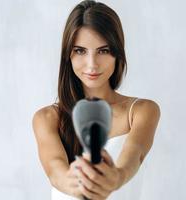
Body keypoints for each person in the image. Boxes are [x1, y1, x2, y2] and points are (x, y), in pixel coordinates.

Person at [32, 0, 160, 199]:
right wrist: (78, 183)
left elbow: (134, 155)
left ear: (117, 53)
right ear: (68, 55)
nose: (92, 65)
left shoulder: (141, 111)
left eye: (103, 51)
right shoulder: (47, 118)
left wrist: (116, 177)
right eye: (80, 50)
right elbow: (55, 169)